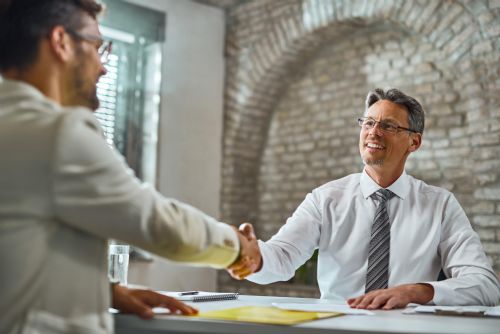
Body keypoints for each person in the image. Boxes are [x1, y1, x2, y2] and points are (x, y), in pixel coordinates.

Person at [0, 1, 258, 333]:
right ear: (60, 42)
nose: (103, 67)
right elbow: (160, 226)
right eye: (97, 46)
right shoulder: (55, 132)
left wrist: (106, 291)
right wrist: (237, 247)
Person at [228, 88, 500, 309]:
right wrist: (254, 258)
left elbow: (484, 285)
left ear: (414, 142)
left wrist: (417, 292)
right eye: (368, 122)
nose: (373, 131)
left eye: (388, 126)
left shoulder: (440, 205)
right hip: (335, 329)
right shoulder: (325, 199)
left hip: (408, 328)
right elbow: (283, 256)